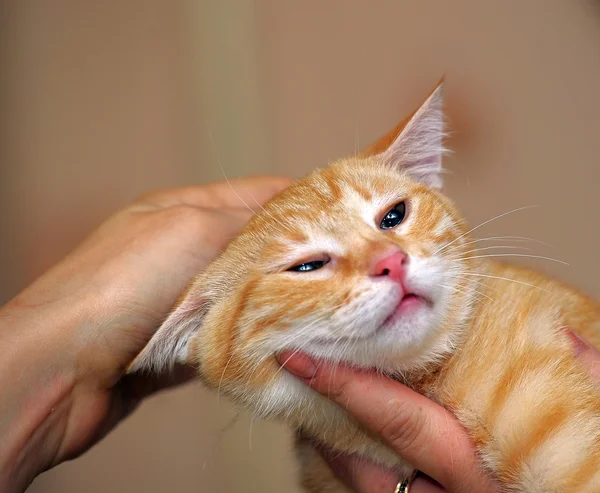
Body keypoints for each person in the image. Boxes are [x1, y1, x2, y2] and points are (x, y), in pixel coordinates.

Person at [0, 177, 598, 493]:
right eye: (308, 264)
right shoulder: (324, 463)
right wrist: (64, 338)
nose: (388, 258)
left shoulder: (501, 337)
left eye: (393, 217)